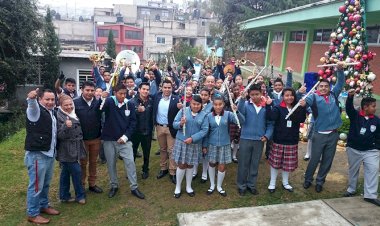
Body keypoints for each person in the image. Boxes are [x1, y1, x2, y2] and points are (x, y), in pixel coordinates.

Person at [301, 62, 345, 193]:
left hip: (333, 134)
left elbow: (340, 83)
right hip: (319, 134)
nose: (324, 88)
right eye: (321, 86)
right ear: (318, 88)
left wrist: (340, 70)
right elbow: (304, 101)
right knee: (314, 160)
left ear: (329, 87)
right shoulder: (313, 97)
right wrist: (302, 100)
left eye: (326, 86)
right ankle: (308, 180)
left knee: (327, 160)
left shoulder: (333, 95)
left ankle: (320, 181)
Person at [101, 83, 145, 199]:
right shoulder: (109, 102)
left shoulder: (129, 104)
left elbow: (133, 122)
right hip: (109, 139)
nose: (123, 96)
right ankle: (114, 185)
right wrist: (102, 98)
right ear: (115, 93)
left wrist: (125, 137)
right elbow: (98, 111)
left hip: (125, 140)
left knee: (130, 162)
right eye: (120, 94)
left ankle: (134, 187)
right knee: (111, 164)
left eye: (124, 93)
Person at [24, 88, 59, 224]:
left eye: (52, 99)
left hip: (49, 154)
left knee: (45, 183)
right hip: (38, 155)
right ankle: (32, 213)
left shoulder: (51, 112)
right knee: (36, 185)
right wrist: (31, 99)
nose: (50, 102)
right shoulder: (35, 111)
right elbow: (32, 106)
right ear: (40, 100)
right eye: (47, 99)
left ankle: (43, 205)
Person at [265, 88, 306, 193]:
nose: (289, 97)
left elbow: (301, 119)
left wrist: (302, 107)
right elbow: (271, 117)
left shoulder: (297, 107)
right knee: (275, 163)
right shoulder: (278, 108)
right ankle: (272, 183)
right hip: (279, 139)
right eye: (287, 95)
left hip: (291, 140)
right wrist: (268, 105)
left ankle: (285, 182)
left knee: (287, 164)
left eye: (291, 95)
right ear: (283, 97)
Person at [343, 89, 380, 206]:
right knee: (353, 170)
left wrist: (377, 147)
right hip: (354, 149)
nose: (375, 108)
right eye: (373, 106)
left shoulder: (377, 120)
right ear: (365, 107)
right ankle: (351, 189)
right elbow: (349, 107)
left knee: (373, 170)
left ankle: (370, 195)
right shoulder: (355, 116)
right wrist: (350, 96)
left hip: (371, 151)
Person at [237, 84, 273, 196]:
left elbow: (270, 123)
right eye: (252, 95)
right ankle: (241, 185)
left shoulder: (266, 106)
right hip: (245, 138)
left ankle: (251, 184)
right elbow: (240, 118)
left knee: (254, 164)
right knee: (243, 163)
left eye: (257, 94)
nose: (255, 97)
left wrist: (267, 135)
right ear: (249, 95)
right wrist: (242, 100)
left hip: (259, 140)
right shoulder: (246, 104)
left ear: (261, 93)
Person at [204, 94, 241, 197]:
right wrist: (205, 146)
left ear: (224, 104)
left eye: (220, 104)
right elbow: (206, 132)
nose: (218, 106)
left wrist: (236, 111)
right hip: (212, 144)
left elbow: (240, 121)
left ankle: (219, 187)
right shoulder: (208, 116)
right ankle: (212, 185)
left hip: (224, 144)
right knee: (211, 164)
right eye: (216, 104)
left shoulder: (229, 114)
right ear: (213, 105)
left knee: (222, 166)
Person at [172, 95, 209, 198]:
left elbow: (204, 130)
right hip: (182, 141)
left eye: (198, 104)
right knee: (182, 164)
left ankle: (189, 186)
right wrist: (180, 123)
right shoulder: (183, 111)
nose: (196, 106)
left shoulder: (204, 115)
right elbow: (174, 124)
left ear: (201, 105)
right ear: (190, 103)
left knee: (190, 165)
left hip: (194, 143)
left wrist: (192, 138)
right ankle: (178, 187)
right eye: (193, 104)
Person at [74, 81, 104, 194]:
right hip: (82, 139)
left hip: (96, 138)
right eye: (87, 90)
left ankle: (92, 184)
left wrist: (104, 98)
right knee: (82, 163)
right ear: (82, 90)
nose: (90, 92)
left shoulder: (98, 102)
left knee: (93, 162)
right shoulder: (75, 103)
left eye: (92, 90)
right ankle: (81, 185)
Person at [56, 95, 86, 204]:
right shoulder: (60, 116)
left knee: (65, 173)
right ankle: (80, 195)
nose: (69, 107)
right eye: (66, 105)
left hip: (75, 147)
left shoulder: (72, 113)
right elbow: (59, 135)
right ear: (60, 105)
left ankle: (64, 196)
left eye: (70, 104)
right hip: (67, 150)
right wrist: (66, 126)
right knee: (77, 172)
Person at [153, 79, 181, 184]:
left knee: (172, 150)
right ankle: (163, 168)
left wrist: (180, 108)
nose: (167, 89)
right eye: (165, 87)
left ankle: (172, 171)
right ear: (162, 88)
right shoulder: (157, 97)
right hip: (159, 127)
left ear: (172, 88)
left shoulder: (176, 99)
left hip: (171, 128)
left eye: (169, 87)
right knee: (162, 149)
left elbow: (181, 113)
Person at [130, 82, 154, 179]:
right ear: (139, 90)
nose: (145, 91)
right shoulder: (132, 101)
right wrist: (137, 111)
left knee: (146, 152)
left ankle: (145, 169)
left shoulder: (151, 101)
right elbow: (128, 116)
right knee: (132, 153)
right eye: (144, 89)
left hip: (147, 132)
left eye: (147, 89)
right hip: (135, 132)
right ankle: (131, 171)